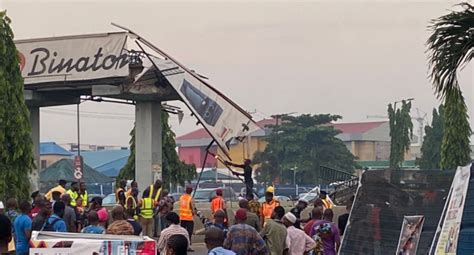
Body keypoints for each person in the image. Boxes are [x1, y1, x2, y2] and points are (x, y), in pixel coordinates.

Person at [179, 185, 196, 251]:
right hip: (189, 218)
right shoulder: (190, 198)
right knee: (189, 233)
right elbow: (193, 208)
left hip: (182, 218)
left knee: (183, 233)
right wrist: (194, 212)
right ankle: (188, 246)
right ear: (191, 191)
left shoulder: (181, 197)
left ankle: (182, 246)